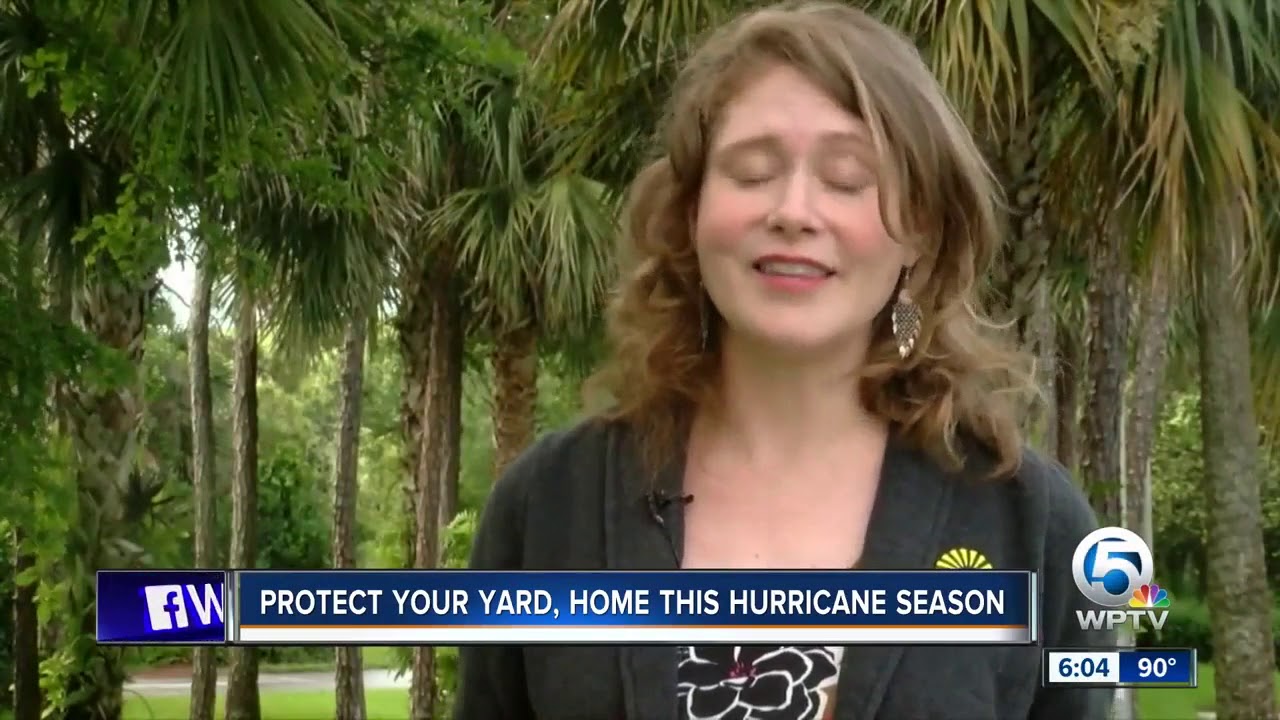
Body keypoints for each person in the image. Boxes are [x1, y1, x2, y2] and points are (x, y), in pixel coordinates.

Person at [454, 2, 1116, 718]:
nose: (795, 211)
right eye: (752, 171)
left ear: (919, 230)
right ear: (690, 212)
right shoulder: (548, 507)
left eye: (847, 178)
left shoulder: (1031, 524)